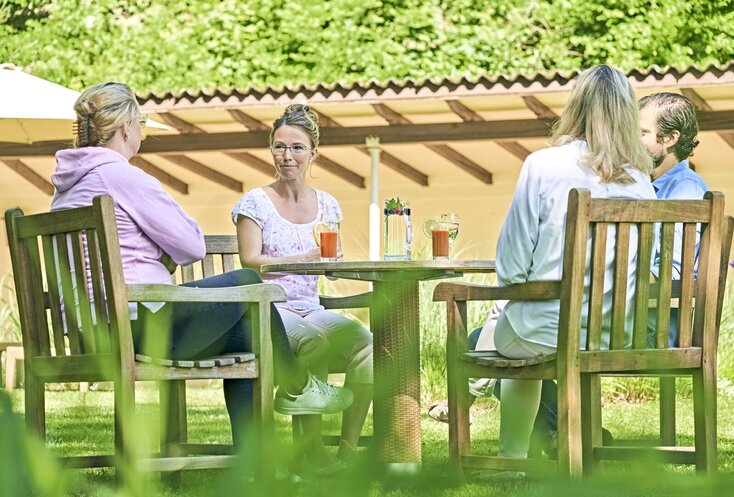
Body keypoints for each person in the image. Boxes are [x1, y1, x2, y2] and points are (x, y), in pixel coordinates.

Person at [50, 82, 353, 451]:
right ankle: (297, 386)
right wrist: (161, 249)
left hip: (91, 328)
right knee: (246, 281)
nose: (141, 131)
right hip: (139, 329)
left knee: (248, 334)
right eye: (140, 123)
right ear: (126, 128)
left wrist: (154, 249)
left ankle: (252, 464)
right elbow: (191, 246)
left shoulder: (67, 187)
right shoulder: (122, 176)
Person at [490, 65, 656, 466]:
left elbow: (510, 269)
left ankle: (512, 457)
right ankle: (577, 446)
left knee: (506, 333)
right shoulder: (642, 181)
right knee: (522, 329)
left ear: (576, 107)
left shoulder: (542, 165)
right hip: (615, 335)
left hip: (546, 333)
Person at [232, 104, 373, 472]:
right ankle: (311, 452)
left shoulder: (327, 205)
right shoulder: (255, 203)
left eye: (296, 147)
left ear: (313, 154)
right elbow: (249, 260)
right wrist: (306, 256)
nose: (287, 156)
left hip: (311, 308)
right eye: (279, 146)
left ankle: (347, 449)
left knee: (367, 346)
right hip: (270, 310)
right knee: (318, 343)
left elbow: (329, 268)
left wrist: (330, 264)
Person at [639, 92, 708, 347]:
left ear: (670, 138)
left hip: (651, 333)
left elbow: (671, 270)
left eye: (642, 133)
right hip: (636, 322)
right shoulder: (653, 188)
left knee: (545, 332)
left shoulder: (685, 189)